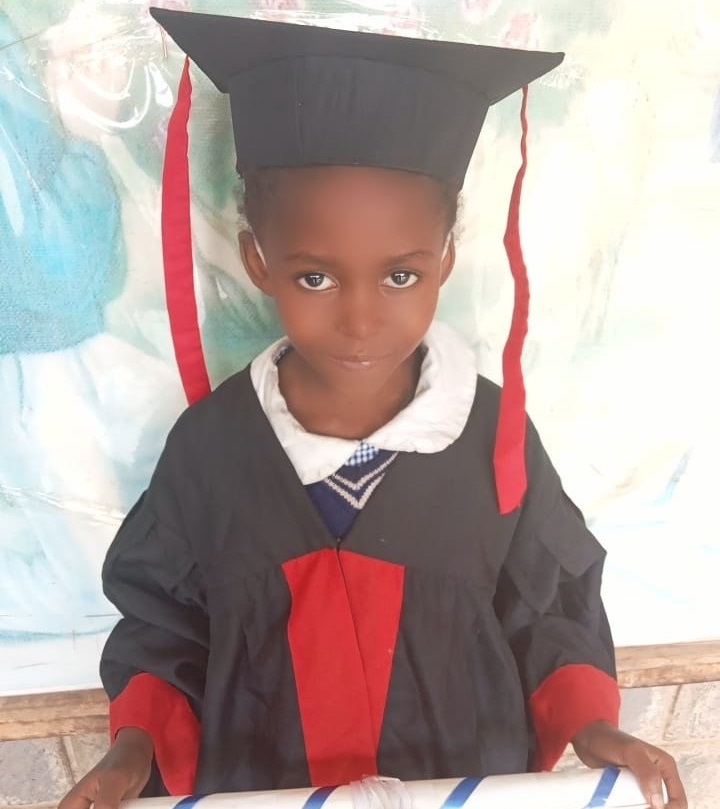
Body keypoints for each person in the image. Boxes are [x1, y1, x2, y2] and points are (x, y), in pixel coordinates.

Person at [59, 8, 686, 809]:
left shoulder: (494, 441)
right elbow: (164, 626)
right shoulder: (209, 452)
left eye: (401, 275)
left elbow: (549, 612)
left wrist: (595, 730)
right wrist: (131, 751)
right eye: (315, 277)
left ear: (446, 259)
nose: (360, 322)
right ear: (257, 260)